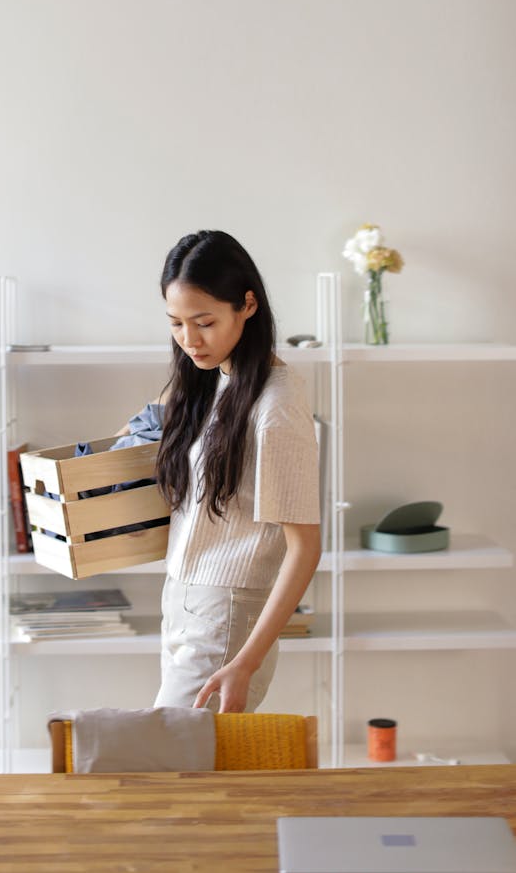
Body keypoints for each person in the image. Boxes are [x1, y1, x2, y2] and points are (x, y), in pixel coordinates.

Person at [151, 229, 321, 713]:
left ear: (247, 305)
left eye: (204, 322)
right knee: (190, 771)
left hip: (226, 618)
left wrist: (246, 661)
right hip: (182, 600)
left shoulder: (276, 406)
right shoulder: (218, 379)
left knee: (172, 768)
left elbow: (305, 548)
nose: (189, 340)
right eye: (176, 323)